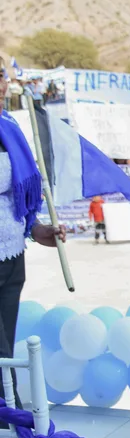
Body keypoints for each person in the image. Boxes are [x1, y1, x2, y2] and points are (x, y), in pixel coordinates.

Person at [0, 101, 66, 420]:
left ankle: (8, 414)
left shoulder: (9, 127)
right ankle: (11, 414)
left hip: (11, 255)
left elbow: (19, 197)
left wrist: (38, 229)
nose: (0, 84)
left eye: (1, 77)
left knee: (5, 347)